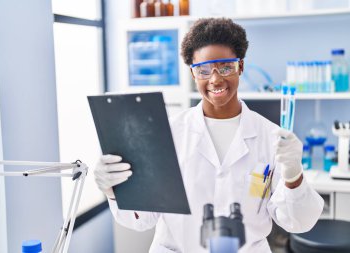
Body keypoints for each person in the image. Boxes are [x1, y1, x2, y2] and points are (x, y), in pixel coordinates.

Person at [94, 18, 324, 253]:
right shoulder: (168, 134)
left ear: (240, 67)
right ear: (193, 74)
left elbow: (298, 222)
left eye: (225, 67)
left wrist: (294, 175)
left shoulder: (271, 137)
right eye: (203, 70)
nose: (215, 79)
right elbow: (142, 218)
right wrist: (113, 190)